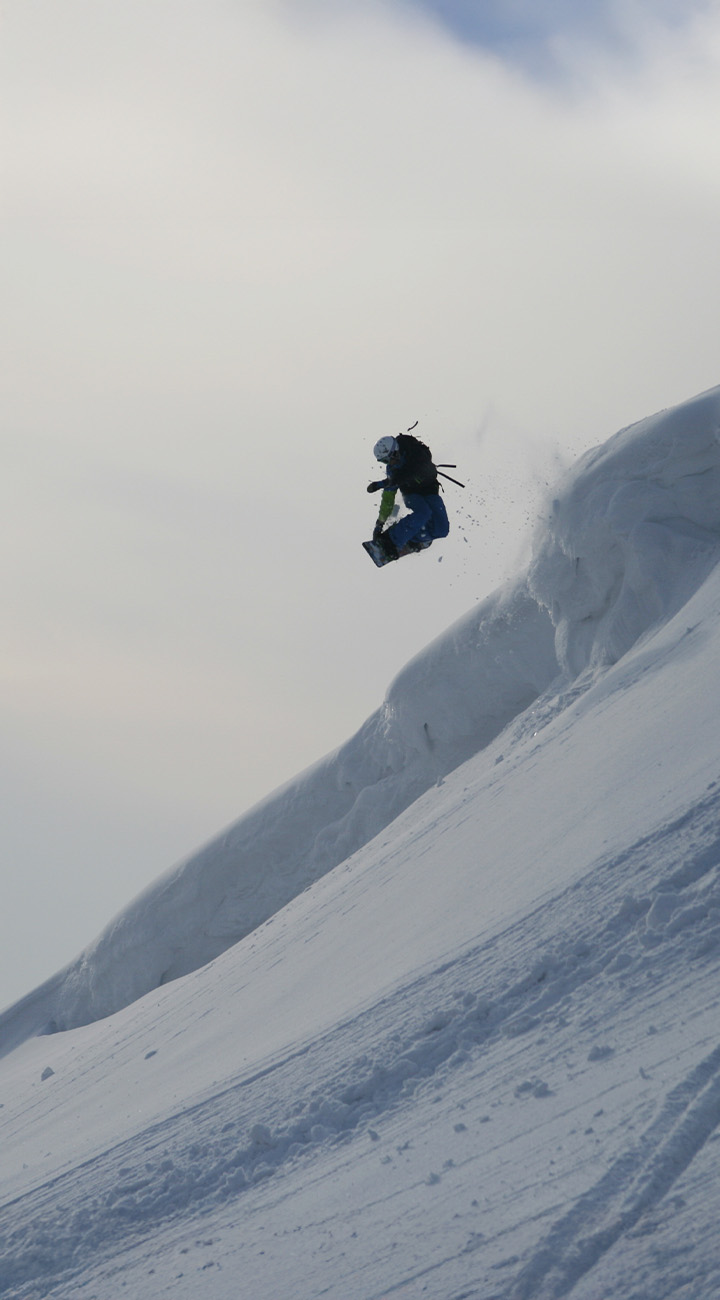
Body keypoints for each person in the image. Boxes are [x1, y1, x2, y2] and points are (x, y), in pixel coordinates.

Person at [367, 433, 450, 562]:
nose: (388, 464)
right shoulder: (392, 470)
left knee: (442, 529)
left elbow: (421, 469)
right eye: (383, 461)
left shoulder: (416, 453)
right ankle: (391, 538)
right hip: (411, 494)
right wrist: (380, 523)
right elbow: (388, 498)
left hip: (430, 490)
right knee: (423, 512)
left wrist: (387, 482)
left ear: (395, 452)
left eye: (387, 460)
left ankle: (415, 538)